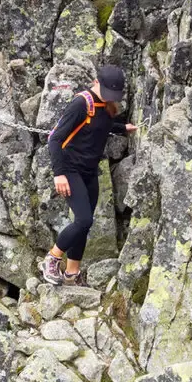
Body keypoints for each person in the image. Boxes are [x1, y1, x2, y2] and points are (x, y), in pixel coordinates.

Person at [41, 65, 137, 286]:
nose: (111, 97)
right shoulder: (80, 104)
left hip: (90, 171)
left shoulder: (106, 105)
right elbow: (55, 139)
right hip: (70, 170)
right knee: (84, 219)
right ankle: (52, 259)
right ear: (96, 83)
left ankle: (72, 274)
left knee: (84, 225)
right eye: (108, 92)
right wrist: (59, 174)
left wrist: (123, 128)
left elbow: (102, 125)